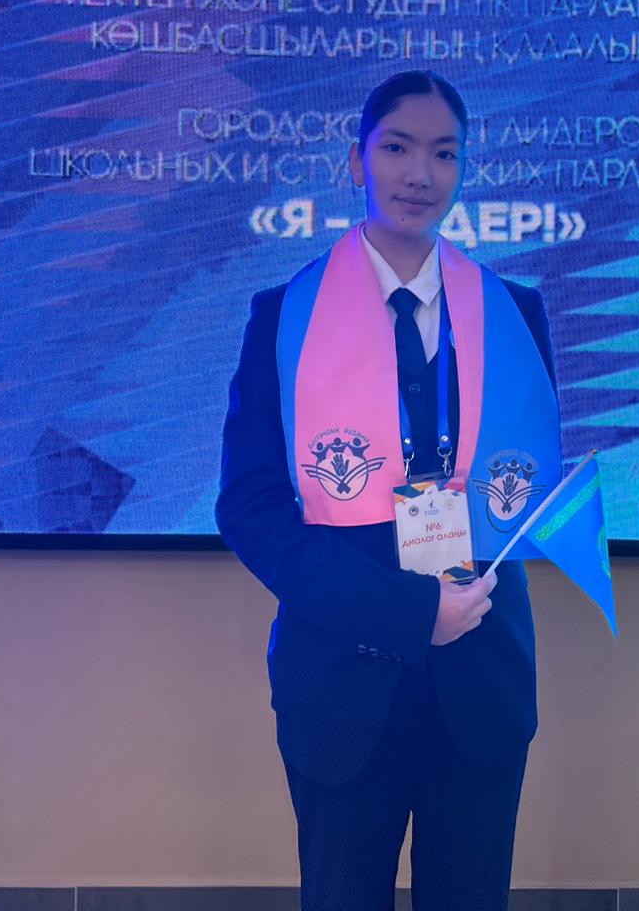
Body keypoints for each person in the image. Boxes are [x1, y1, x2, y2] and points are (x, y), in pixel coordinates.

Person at [216, 71, 560, 911]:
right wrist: (409, 613)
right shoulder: (285, 317)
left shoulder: (515, 313)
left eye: (444, 154)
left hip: (482, 679)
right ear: (356, 161)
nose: (419, 174)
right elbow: (251, 508)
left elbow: (523, 479)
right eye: (397, 148)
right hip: (343, 678)